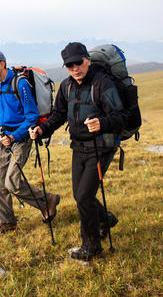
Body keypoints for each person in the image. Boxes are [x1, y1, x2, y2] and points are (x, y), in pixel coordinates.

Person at [29, 42, 123, 261]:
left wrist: (102, 122)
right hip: (78, 147)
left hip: (101, 147)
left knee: (83, 196)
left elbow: (120, 116)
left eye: (78, 62)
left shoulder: (103, 83)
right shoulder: (66, 86)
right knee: (80, 195)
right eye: (69, 65)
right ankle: (105, 219)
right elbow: (59, 114)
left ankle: (91, 246)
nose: (74, 68)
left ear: (87, 60)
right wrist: (42, 129)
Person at [0, 50, 60, 234]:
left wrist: (14, 137)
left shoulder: (21, 84)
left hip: (21, 138)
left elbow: (32, 116)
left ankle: (48, 199)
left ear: (1, 64)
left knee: (12, 182)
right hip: (5, 138)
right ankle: (8, 222)